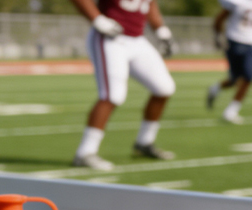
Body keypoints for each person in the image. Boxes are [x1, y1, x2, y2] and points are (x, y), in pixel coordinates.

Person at [70, 0, 176, 170]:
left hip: (137, 39)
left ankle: (144, 142)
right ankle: (85, 153)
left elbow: (149, 4)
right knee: (112, 95)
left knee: (164, 88)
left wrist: (161, 30)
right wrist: (97, 19)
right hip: (111, 38)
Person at [206, 0, 252, 124]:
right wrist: (218, 35)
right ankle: (216, 88)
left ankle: (231, 111)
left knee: (248, 77)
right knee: (235, 79)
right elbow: (220, 18)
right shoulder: (236, 2)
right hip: (234, 41)